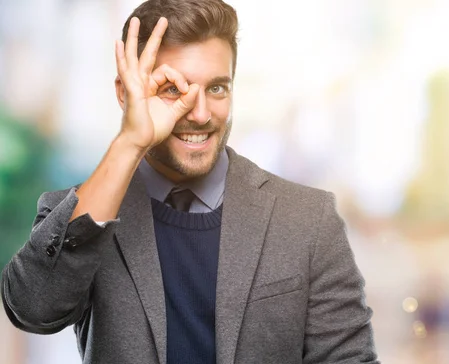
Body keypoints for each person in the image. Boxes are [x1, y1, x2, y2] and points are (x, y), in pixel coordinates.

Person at [1, 0, 378, 363]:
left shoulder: (308, 219)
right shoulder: (84, 211)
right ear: (125, 94)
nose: (199, 114)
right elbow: (33, 308)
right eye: (173, 90)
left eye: (217, 88)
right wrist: (130, 141)